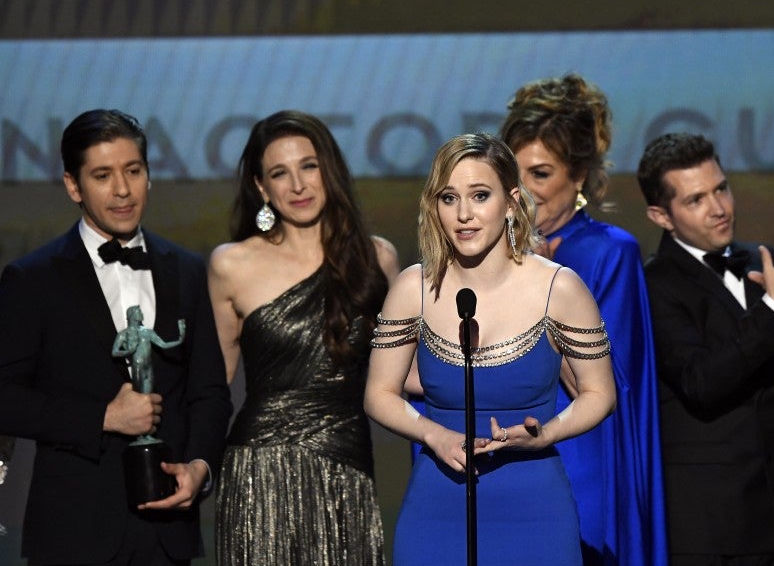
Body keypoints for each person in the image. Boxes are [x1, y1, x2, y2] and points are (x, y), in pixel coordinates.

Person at [365, 133, 616, 565]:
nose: (464, 214)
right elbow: (378, 393)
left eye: (480, 196)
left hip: (534, 510)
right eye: (449, 198)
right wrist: (434, 434)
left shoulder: (559, 288)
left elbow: (600, 393)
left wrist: (547, 434)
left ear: (511, 202)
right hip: (437, 507)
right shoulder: (413, 288)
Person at [0, 109, 232, 565]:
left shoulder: (185, 270)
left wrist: (200, 467)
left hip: (168, 532)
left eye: (133, 170)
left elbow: (209, 392)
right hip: (74, 531)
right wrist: (103, 417)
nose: (123, 189)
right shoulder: (33, 278)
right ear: (73, 186)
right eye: (102, 175)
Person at [637, 132, 774, 565]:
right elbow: (702, 383)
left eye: (721, 189)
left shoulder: (756, 260)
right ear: (661, 215)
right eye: (696, 200)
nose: (719, 208)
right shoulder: (653, 285)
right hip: (711, 528)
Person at [208, 110, 398, 566]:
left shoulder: (377, 259)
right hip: (258, 476)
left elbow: (408, 374)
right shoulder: (231, 265)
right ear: (261, 187)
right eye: (280, 173)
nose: (297, 185)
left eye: (308, 166)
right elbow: (212, 388)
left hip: (347, 472)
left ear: (329, 168)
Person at [499, 73, 667, 565]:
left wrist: (540, 287)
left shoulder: (609, 253)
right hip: (499, 459)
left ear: (578, 177)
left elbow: (603, 389)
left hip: (576, 464)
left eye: (541, 174)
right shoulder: (483, 255)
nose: (523, 191)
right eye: (514, 174)